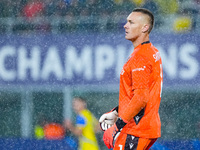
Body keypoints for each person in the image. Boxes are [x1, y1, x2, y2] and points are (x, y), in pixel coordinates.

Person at [99, 8, 163, 150]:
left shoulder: (140, 57)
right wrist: (116, 112)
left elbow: (141, 98)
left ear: (145, 27)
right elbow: (137, 95)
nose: (125, 25)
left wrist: (117, 126)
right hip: (147, 126)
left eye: (131, 22)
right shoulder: (152, 51)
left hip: (136, 129)